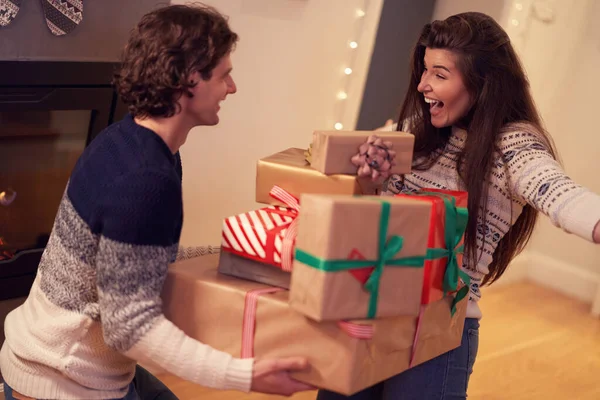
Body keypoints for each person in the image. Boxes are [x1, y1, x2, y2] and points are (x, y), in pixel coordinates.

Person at [0, 4, 314, 400]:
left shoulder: (128, 139)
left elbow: (140, 261)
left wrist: (244, 260)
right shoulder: (146, 181)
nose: (231, 88)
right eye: (225, 75)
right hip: (63, 380)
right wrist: (245, 375)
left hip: (60, 358)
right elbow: (130, 328)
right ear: (189, 81)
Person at [317, 11, 600, 400]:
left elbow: (559, 192)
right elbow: (377, 213)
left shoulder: (512, 146)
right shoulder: (421, 127)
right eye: (424, 69)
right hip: (366, 314)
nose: (422, 84)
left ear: (482, 83)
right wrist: (367, 176)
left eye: (439, 74)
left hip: (438, 333)